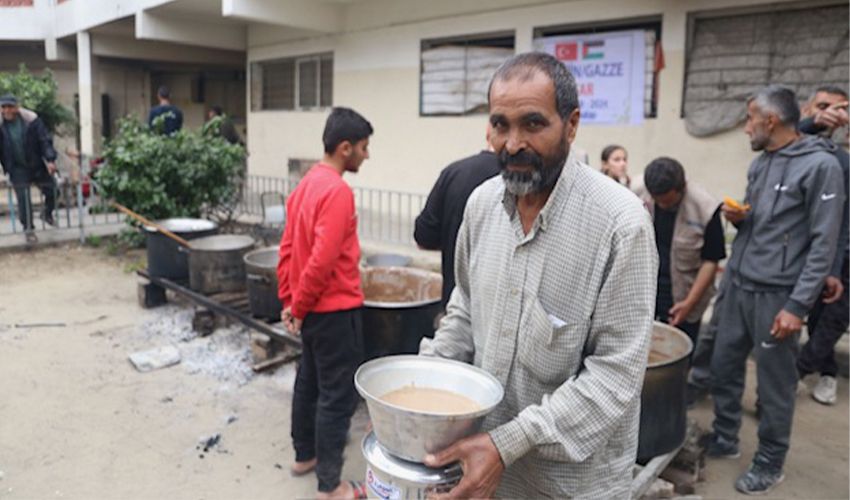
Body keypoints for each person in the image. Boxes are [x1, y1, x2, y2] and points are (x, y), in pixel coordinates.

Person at [419, 52, 657, 499]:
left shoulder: (620, 224)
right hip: (481, 468)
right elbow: (464, 308)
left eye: (532, 124)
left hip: (569, 484)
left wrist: (505, 445)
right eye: (500, 125)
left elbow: (614, 376)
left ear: (571, 124)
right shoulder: (481, 205)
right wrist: (424, 387)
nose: (512, 144)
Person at [705, 85, 843, 495]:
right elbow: (763, 223)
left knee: (775, 383)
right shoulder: (762, 163)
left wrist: (797, 306)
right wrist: (739, 219)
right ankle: (726, 437)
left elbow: (824, 242)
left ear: (769, 121)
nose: (746, 128)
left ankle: (770, 462)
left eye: (749, 119)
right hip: (739, 285)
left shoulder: (822, 167)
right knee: (724, 366)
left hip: (777, 296)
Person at [277, 107, 373, 500]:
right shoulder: (336, 191)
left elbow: (286, 251)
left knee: (310, 381)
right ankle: (331, 486)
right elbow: (321, 259)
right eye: (364, 148)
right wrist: (297, 306)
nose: (367, 156)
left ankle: (306, 454)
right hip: (334, 310)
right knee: (338, 395)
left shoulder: (304, 186)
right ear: (345, 147)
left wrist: (290, 301)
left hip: (313, 310)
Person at [796, 85, 850, 405]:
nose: (830, 112)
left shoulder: (842, 161)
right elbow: (788, 139)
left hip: (843, 252)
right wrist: (813, 123)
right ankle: (826, 370)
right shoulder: (798, 148)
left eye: (838, 108)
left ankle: (801, 372)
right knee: (816, 317)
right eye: (822, 106)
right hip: (811, 250)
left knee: (833, 319)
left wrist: (833, 265)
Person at [637, 157, 725, 345]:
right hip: (644, 291)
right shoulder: (637, 193)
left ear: (682, 187)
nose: (662, 206)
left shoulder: (706, 207)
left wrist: (688, 304)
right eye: (657, 201)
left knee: (678, 353)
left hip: (684, 294)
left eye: (667, 202)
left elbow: (710, 261)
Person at [414, 133, 500, 309]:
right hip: (502, 312)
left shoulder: (454, 173)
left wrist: (451, 238)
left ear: (488, 134)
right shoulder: (534, 181)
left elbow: (423, 237)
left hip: (456, 302)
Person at [0, 94, 58, 244]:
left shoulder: (31, 120)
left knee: (53, 190)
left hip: (36, 164)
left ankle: (47, 213)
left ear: (17, 107)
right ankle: (29, 229)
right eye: (3, 107)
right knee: (23, 199)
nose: (6, 110)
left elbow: (44, 140)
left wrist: (50, 160)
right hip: (17, 168)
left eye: (10, 107)